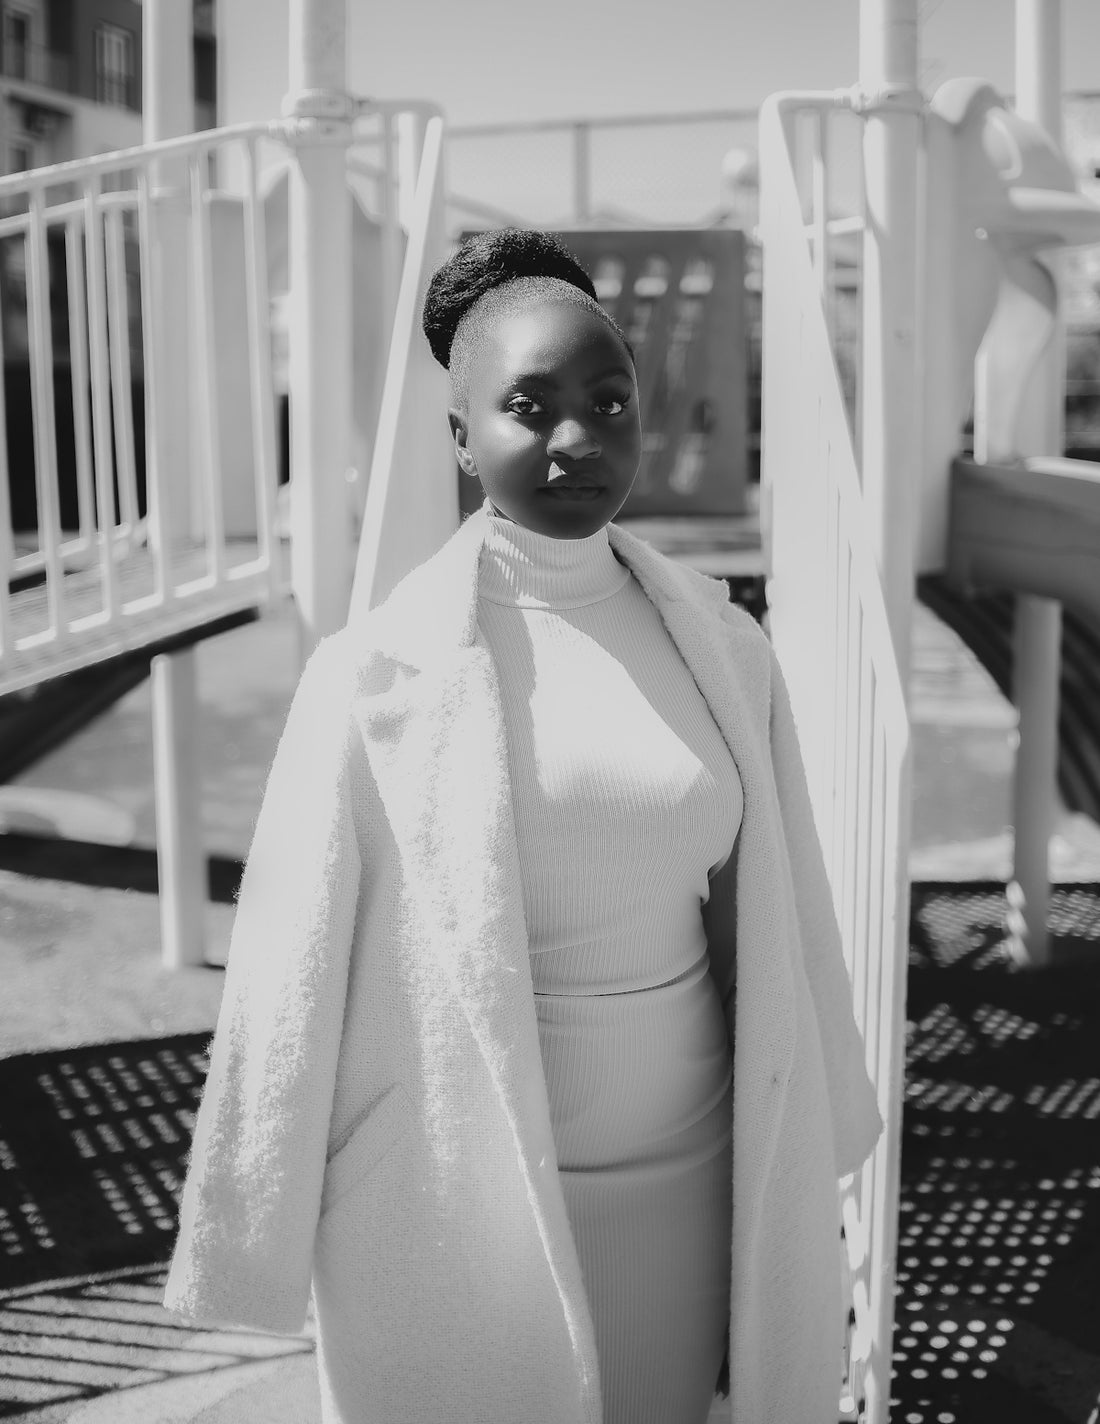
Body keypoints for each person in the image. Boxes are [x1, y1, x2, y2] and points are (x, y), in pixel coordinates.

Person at [163, 228, 883, 1424]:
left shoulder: (723, 646)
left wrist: (814, 1123)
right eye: (527, 407)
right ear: (461, 436)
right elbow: (287, 965)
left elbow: (770, 918)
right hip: (458, 1198)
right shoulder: (370, 673)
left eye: (608, 402)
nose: (575, 439)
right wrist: (257, 1207)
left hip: (687, 1183)